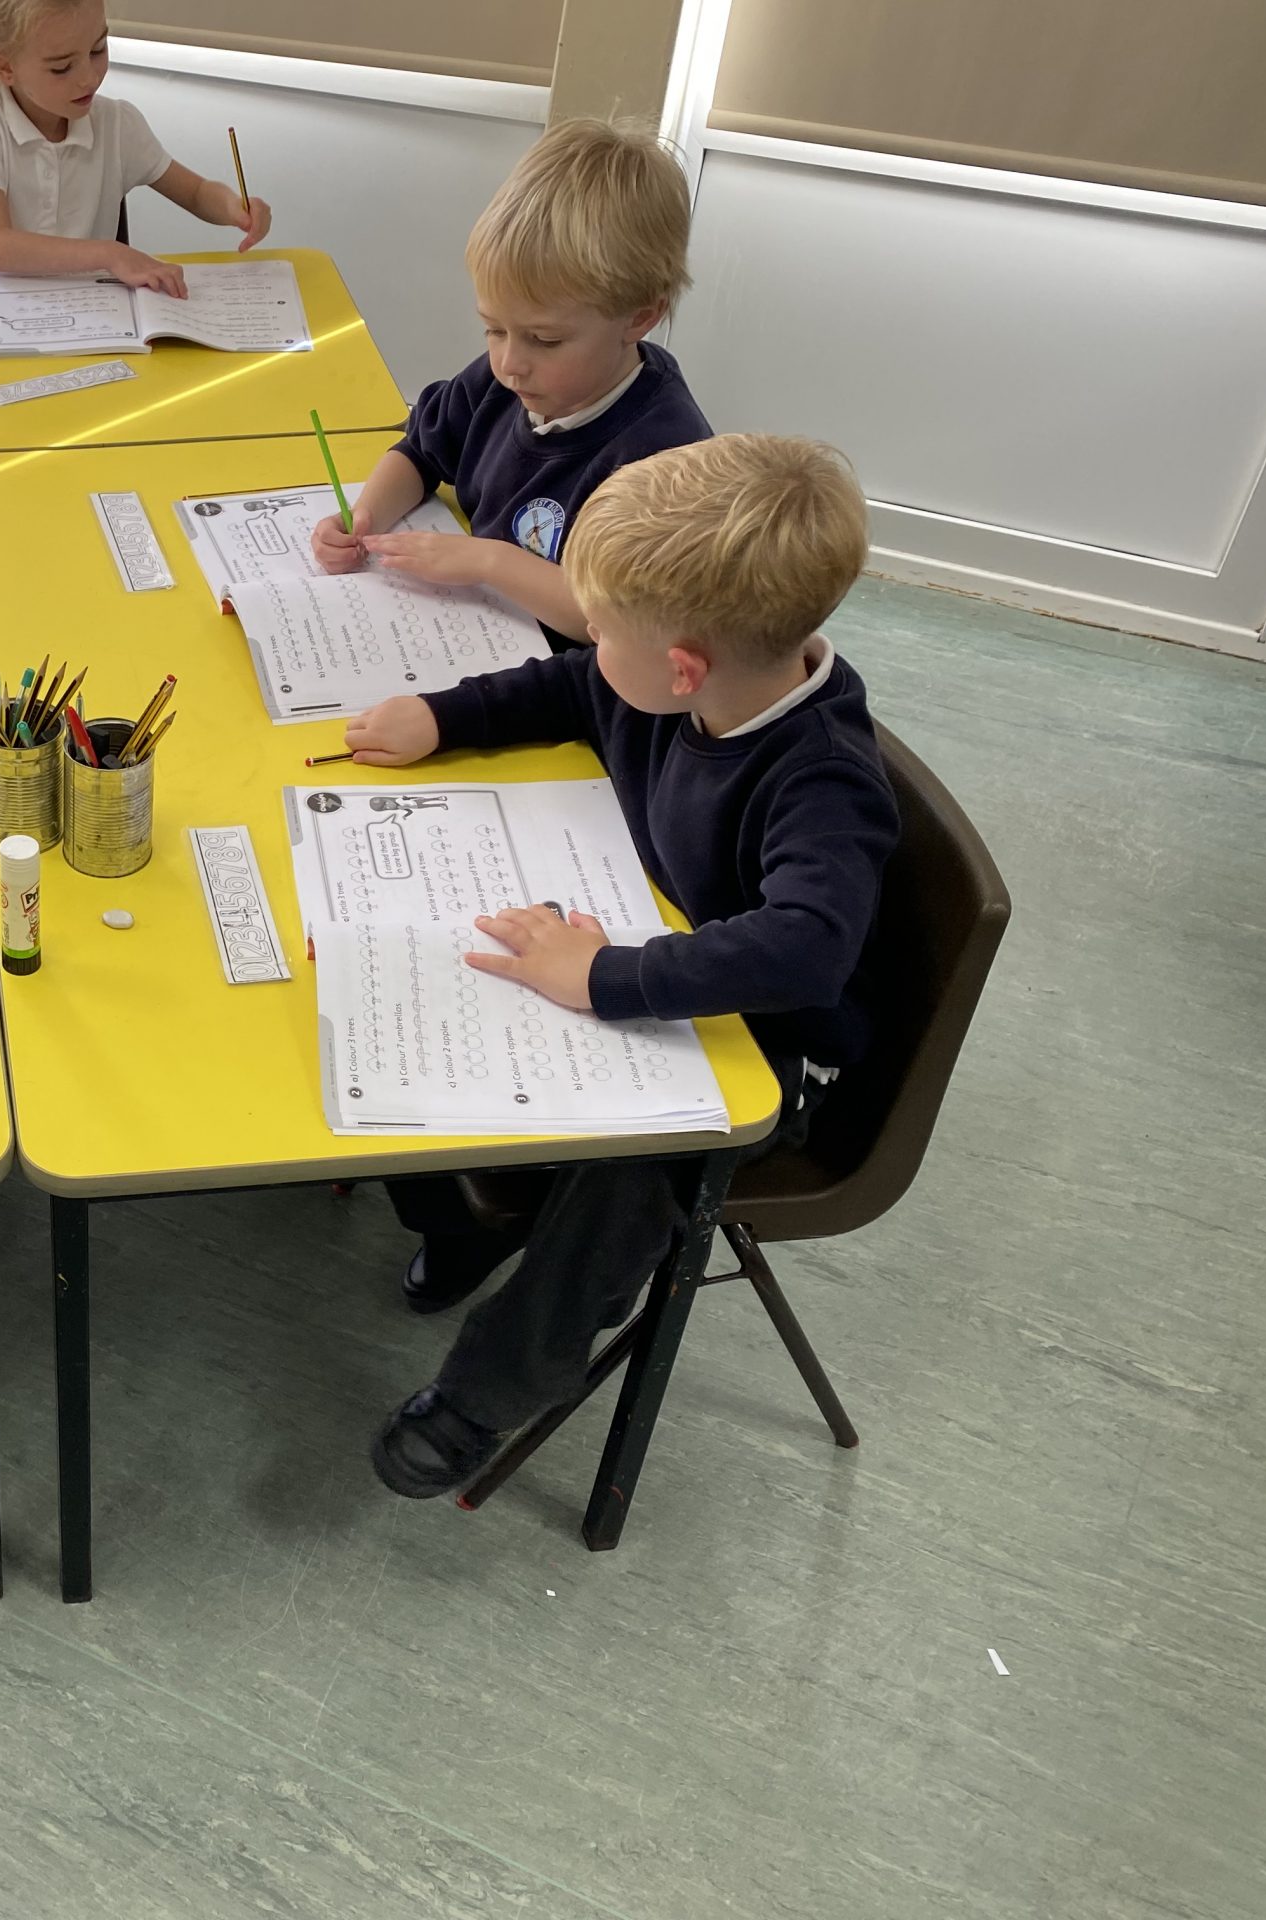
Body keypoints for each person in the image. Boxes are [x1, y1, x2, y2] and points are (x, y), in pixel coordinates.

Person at [344, 436, 901, 1497]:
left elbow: (806, 948)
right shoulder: (676, 686)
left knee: (631, 1178)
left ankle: (494, 1386)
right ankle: (461, 1221)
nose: (586, 644)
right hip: (651, 939)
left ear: (682, 668)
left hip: (769, 1046)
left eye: (601, 631)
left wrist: (601, 978)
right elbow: (573, 688)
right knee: (425, 993)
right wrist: (444, 716)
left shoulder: (822, 778)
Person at [311, 118, 708, 647]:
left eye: (545, 339)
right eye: (494, 329)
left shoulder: (664, 457)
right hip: (465, 634)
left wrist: (489, 562)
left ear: (639, 318)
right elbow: (420, 452)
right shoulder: (504, 381)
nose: (509, 363)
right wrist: (364, 517)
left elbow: (618, 621)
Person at [0, 0, 271, 286]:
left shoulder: (117, 124)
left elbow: (196, 193)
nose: (89, 77)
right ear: (4, 66)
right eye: (62, 68)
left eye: (98, 49)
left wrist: (233, 206)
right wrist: (109, 254)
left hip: (90, 312)